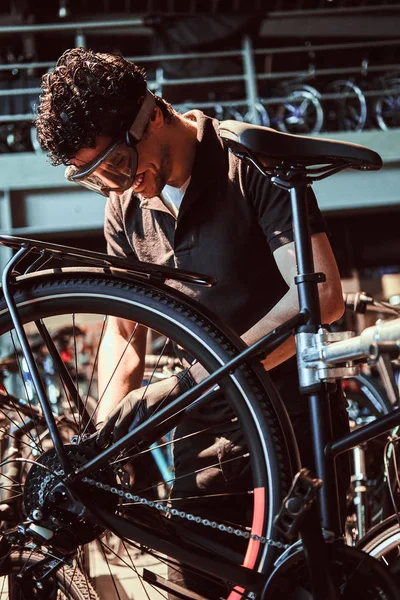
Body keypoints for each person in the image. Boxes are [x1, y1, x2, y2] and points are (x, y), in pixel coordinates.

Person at [35, 47, 349, 598]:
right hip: (197, 435)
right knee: (199, 586)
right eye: (95, 178)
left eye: (117, 164)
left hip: (289, 422)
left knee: (297, 584)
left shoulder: (250, 160)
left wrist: (212, 374)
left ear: (150, 113)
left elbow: (319, 296)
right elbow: (124, 333)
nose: (116, 185)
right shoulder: (124, 209)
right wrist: (108, 441)